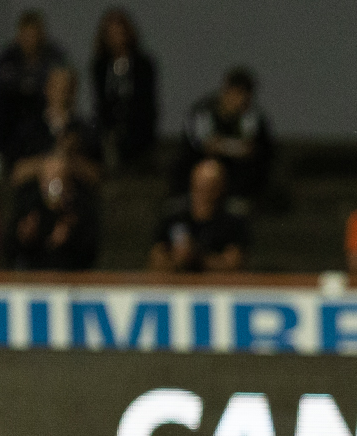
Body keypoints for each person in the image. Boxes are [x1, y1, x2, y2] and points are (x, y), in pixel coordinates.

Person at [174, 66, 273, 200]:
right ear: (227, 91)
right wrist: (234, 148)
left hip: (236, 174)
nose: (241, 102)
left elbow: (251, 148)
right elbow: (205, 146)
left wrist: (223, 146)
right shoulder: (203, 111)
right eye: (237, 94)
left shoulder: (252, 115)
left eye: (246, 96)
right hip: (202, 164)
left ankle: (239, 200)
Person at [0, 9, 67, 163]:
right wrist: (23, 85)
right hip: (16, 109)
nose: (30, 40)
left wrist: (26, 85)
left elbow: (60, 79)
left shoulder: (53, 54)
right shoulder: (10, 54)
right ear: (19, 36)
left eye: (33, 35)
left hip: (42, 107)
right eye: (26, 36)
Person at [149, 159, 247, 273]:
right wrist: (178, 260)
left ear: (222, 187)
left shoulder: (233, 221)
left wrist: (198, 258)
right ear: (192, 183)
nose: (205, 191)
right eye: (201, 185)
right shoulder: (175, 216)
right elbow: (156, 259)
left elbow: (234, 265)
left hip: (217, 287)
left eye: (212, 186)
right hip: (176, 285)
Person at [7, 65, 100, 184]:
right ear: (47, 88)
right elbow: (16, 173)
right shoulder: (29, 129)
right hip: (35, 196)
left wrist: (70, 160)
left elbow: (97, 175)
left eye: (67, 88)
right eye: (56, 86)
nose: (62, 93)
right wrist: (50, 162)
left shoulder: (84, 130)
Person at [6, 152, 98, 271]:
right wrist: (23, 238)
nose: (51, 188)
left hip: (71, 277)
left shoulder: (80, 210)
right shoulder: (29, 208)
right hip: (32, 277)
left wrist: (70, 238)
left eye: (57, 180)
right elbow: (9, 251)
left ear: (68, 182)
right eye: (47, 181)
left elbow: (90, 253)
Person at [90, 7, 157, 170]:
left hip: (137, 127)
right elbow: (100, 101)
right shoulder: (100, 66)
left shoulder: (142, 65)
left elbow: (147, 101)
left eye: (120, 32)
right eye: (111, 33)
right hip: (108, 128)